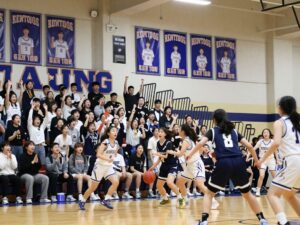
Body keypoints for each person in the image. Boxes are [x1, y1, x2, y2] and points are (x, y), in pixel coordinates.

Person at [187, 109, 269, 225]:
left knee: (209, 193)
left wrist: (190, 154)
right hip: (238, 162)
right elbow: (250, 146)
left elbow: (200, 143)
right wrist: (257, 161)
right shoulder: (234, 131)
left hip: (224, 163)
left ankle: (204, 221)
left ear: (214, 120)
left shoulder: (213, 131)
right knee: (247, 194)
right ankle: (262, 219)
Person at [257, 96, 300, 225]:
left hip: (292, 160)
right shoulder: (298, 122)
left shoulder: (279, 122)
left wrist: (262, 159)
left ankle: (283, 222)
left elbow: (275, 143)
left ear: (280, 108)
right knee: (289, 195)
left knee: (272, 194)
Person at [169, 124, 218, 209]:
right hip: (190, 166)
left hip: (196, 165)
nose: (178, 130)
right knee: (180, 183)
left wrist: (172, 152)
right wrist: (193, 154)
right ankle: (185, 200)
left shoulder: (186, 141)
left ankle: (213, 201)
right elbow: (200, 149)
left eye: (179, 129)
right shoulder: (189, 139)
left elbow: (180, 154)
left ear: (183, 131)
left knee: (200, 185)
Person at [79, 127, 120, 210]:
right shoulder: (105, 142)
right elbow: (98, 154)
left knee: (115, 182)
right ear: (108, 133)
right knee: (93, 187)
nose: (115, 132)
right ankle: (82, 200)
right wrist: (108, 159)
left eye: (116, 131)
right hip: (100, 166)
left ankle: (106, 199)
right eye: (113, 130)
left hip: (108, 167)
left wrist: (113, 156)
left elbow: (114, 152)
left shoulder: (116, 143)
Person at [149, 127, 180, 205]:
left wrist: (156, 153)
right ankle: (166, 198)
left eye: (162, 132)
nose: (159, 133)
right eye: (159, 132)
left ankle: (180, 197)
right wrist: (154, 166)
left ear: (165, 134)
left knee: (169, 182)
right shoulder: (157, 143)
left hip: (172, 165)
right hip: (164, 165)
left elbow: (166, 156)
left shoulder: (168, 143)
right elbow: (161, 157)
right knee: (158, 186)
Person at [253, 128, 277, 197]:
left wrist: (277, 159)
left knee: (275, 176)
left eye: (267, 132)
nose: (265, 133)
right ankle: (258, 191)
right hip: (262, 160)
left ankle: (276, 191)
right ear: (262, 134)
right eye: (264, 132)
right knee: (261, 175)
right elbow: (253, 149)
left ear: (269, 134)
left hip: (271, 160)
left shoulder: (273, 141)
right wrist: (254, 158)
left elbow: (275, 151)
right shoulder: (260, 141)